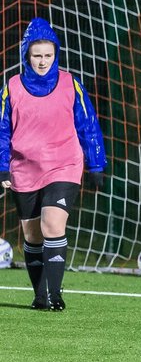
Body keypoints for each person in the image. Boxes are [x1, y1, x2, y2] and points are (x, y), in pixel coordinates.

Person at [0, 17, 108, 311]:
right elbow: (2, 130)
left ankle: (55, 294)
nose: (43, 61)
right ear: (27, 55)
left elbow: (88, 124)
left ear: (56, 54)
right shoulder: (12, 87)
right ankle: (40, 294)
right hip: (25, 169)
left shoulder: (69, 82)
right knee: (32, 234)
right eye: (37, 55)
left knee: (52, 222)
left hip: (64, 164)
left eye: (48, 55)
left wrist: (96, 164)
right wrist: (2, 165)